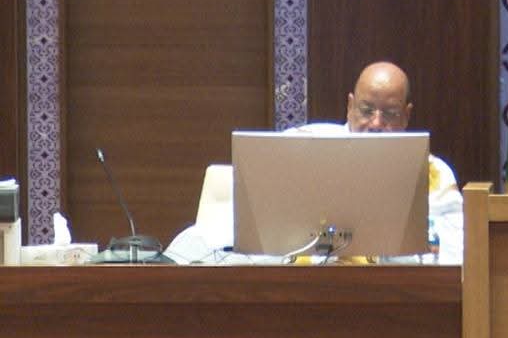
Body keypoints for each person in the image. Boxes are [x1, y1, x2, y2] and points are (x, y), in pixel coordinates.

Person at [166, 61, 464, 264]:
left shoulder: (431, 173)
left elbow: (457, 256)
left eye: (389, 114)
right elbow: (231, 228)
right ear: (349, 106)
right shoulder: (300, 146)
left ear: (407, 116)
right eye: (366, 110)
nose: (375, 124)